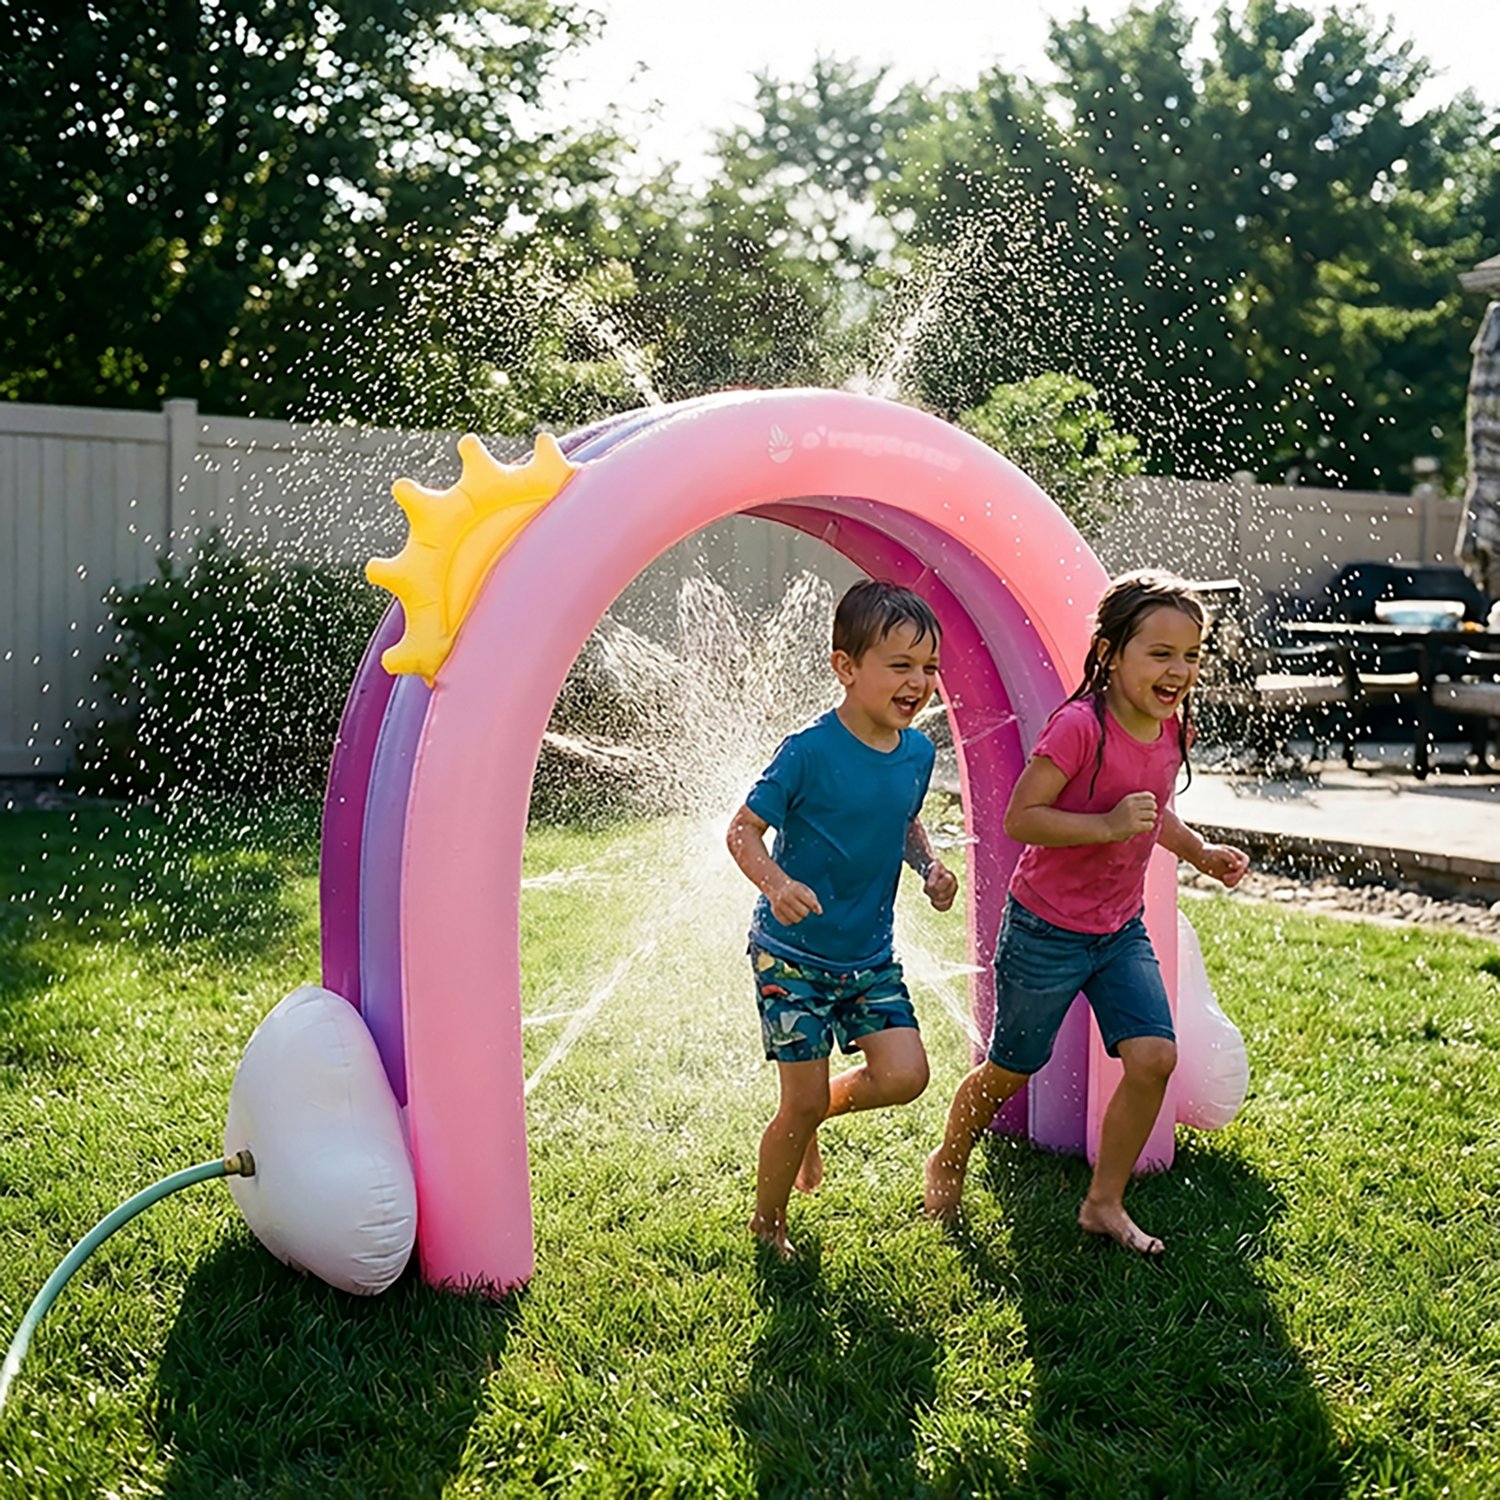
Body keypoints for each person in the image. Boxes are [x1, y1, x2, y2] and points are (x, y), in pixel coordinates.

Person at [923, 569, 1249, 1255]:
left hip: (1118, 930)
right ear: (1109, 654)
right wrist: (1104, 826)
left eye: (1190, 654)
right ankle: (949, 1155)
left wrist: (1198, 852)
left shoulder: (1168, 730)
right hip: (1045, 930)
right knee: (1012, 1067)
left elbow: (1156, 813)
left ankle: (1104, 1202)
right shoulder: (1079, 728)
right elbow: (1023, 817)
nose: (1179, 670)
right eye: (1160, 653)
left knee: (1155, 1055)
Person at [727, 578, 961, 1259]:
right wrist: (776, 883)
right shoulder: (808, 751)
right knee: (793, 1105)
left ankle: (812, 1113)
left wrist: (931, 867)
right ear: (846, 668)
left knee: (906, 1076)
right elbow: (742, 831)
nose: (919, 682)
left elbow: (906, 821)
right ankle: (768, 1224)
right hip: (790, 956)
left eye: (929, 668)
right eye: (901, 666)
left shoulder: (916, 753)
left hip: (869, 955)